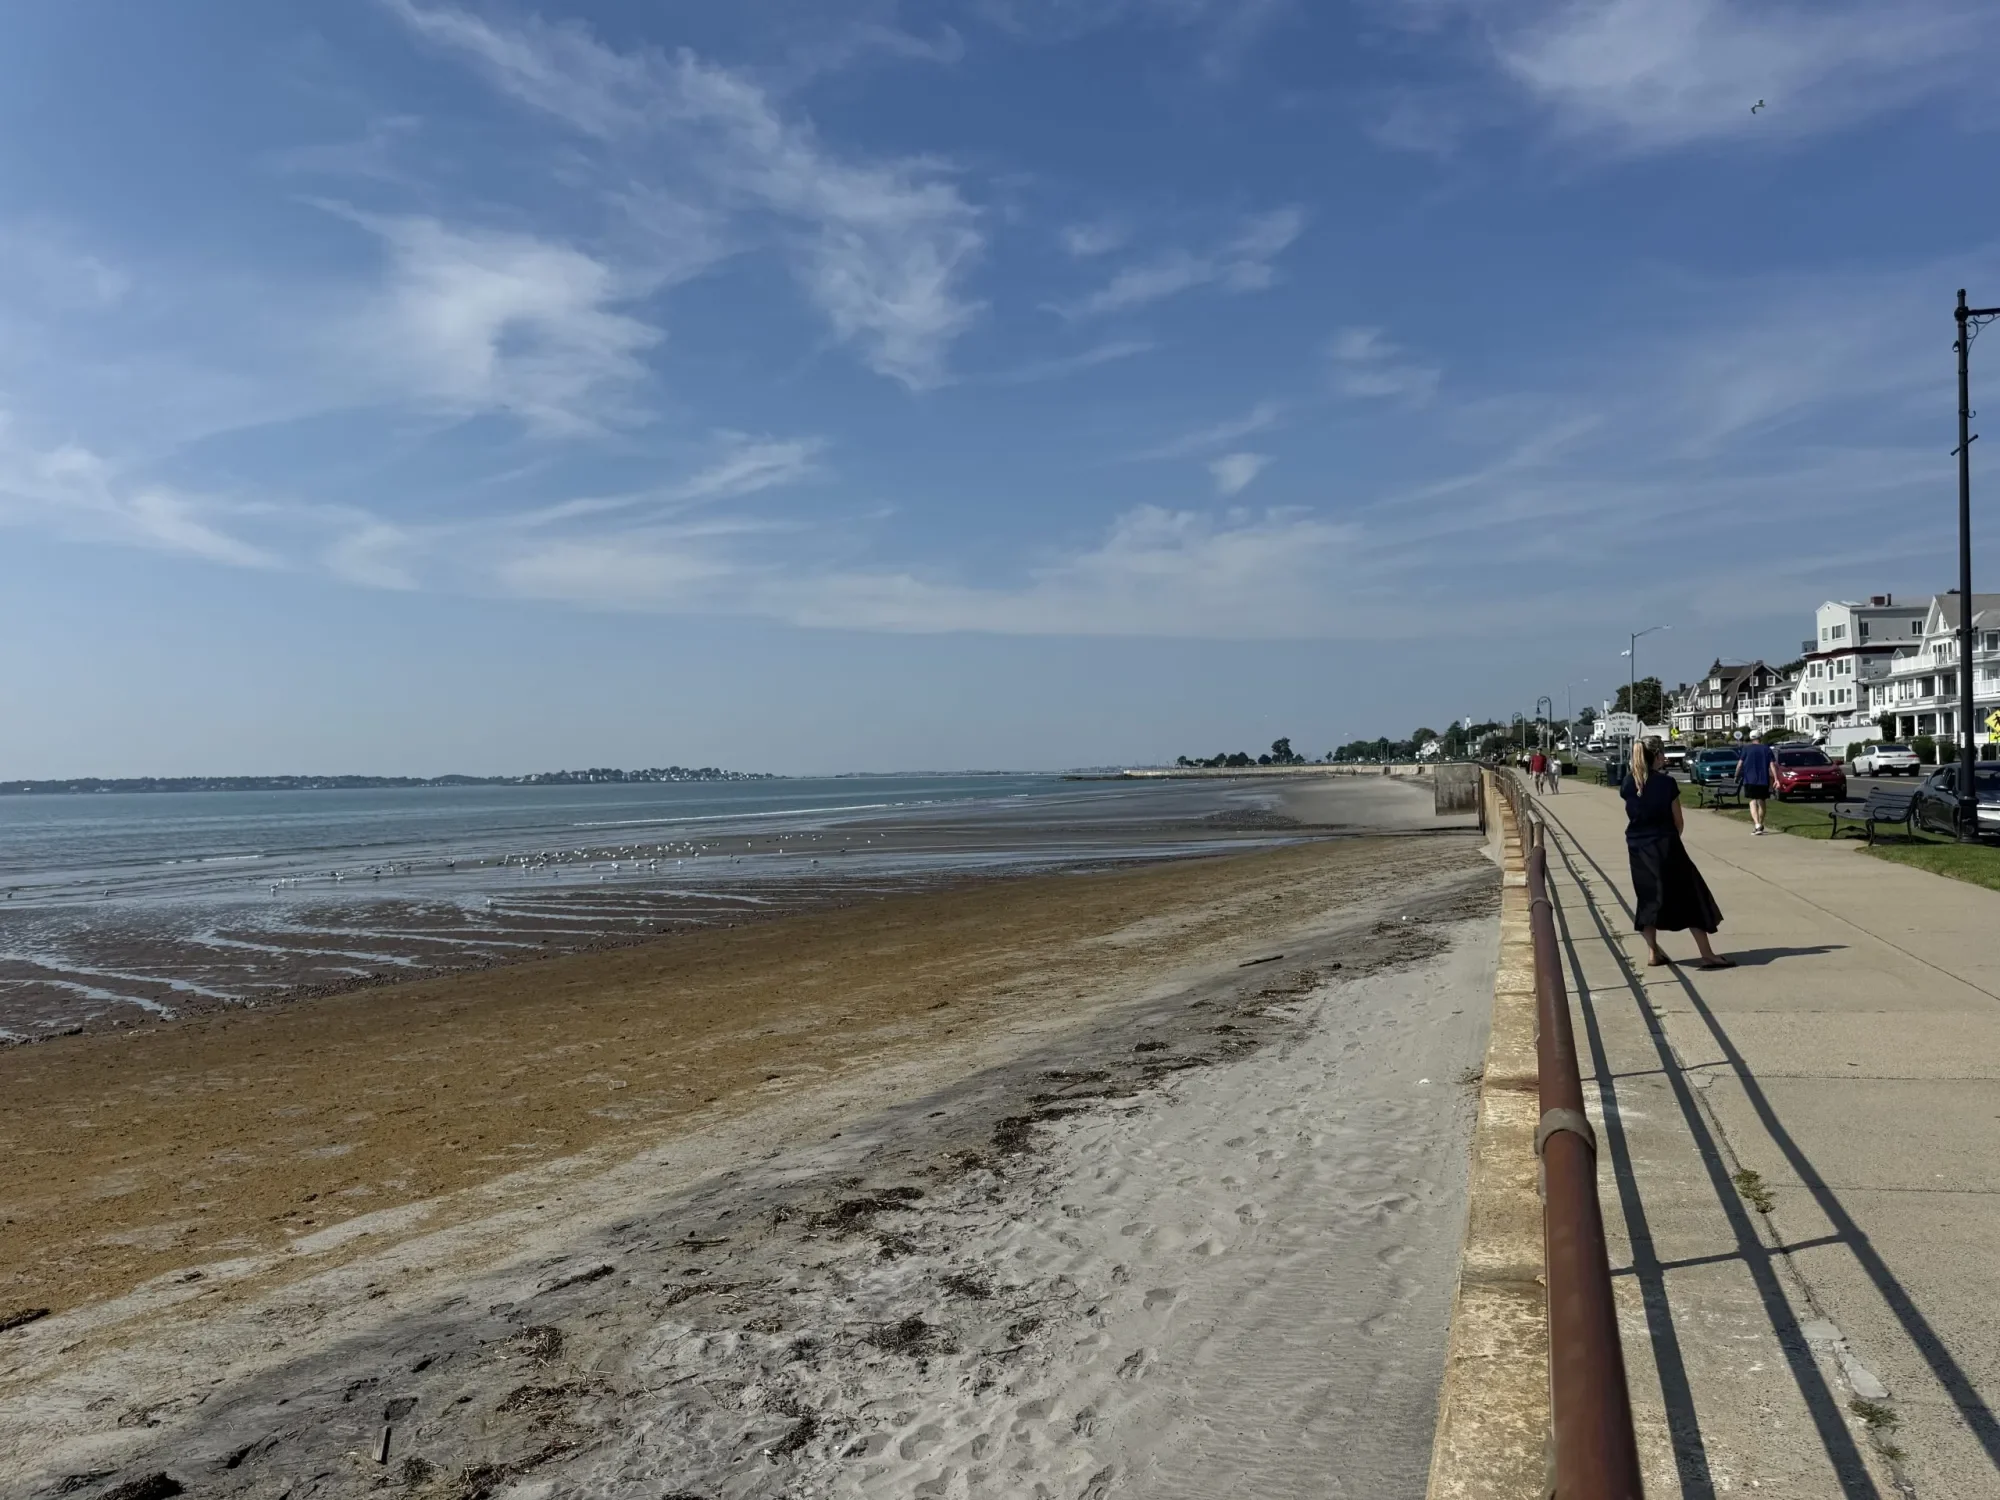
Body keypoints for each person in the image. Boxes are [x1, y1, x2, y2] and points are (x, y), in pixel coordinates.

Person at [1622, 737, 1734, 969]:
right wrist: (1670, 840)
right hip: (1666, 846)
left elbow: (1633, 813)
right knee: (1692, 896)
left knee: (1648, 900)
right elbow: (1678, 821)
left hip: (1637, 848)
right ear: (1658, 756)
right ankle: (1707, 954)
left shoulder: (1627, 783)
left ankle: (1654, 953)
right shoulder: (1666, 783)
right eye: (1662, 754)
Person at [1736, 737, 1776, 834]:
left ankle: (1757, 824)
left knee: (1752, 801)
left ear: (1750, 738)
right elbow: (1772, 765)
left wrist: (1736, 775)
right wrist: (1776, 778)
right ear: (1760, 738)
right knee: (1762, 801)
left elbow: (1740, 764)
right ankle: (1760, 824)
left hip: (1750, 779)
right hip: (1763, 780)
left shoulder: (1746, 749)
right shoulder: (1766, 749)